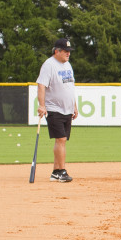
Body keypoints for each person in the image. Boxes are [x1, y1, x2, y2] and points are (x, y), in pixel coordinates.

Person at [36, 37, 78, 182]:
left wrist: (75, 106)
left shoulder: (67, 65)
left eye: (69, 51)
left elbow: (70, 87)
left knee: (62, 140)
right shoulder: (49, 65)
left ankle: (55, 171)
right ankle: (61, 171)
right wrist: (42, 105)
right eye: (65, 51)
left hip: (67, 109)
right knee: (60, 139)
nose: (68, 54)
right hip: (54, 108)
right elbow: (41, 85)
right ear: (57, 51)